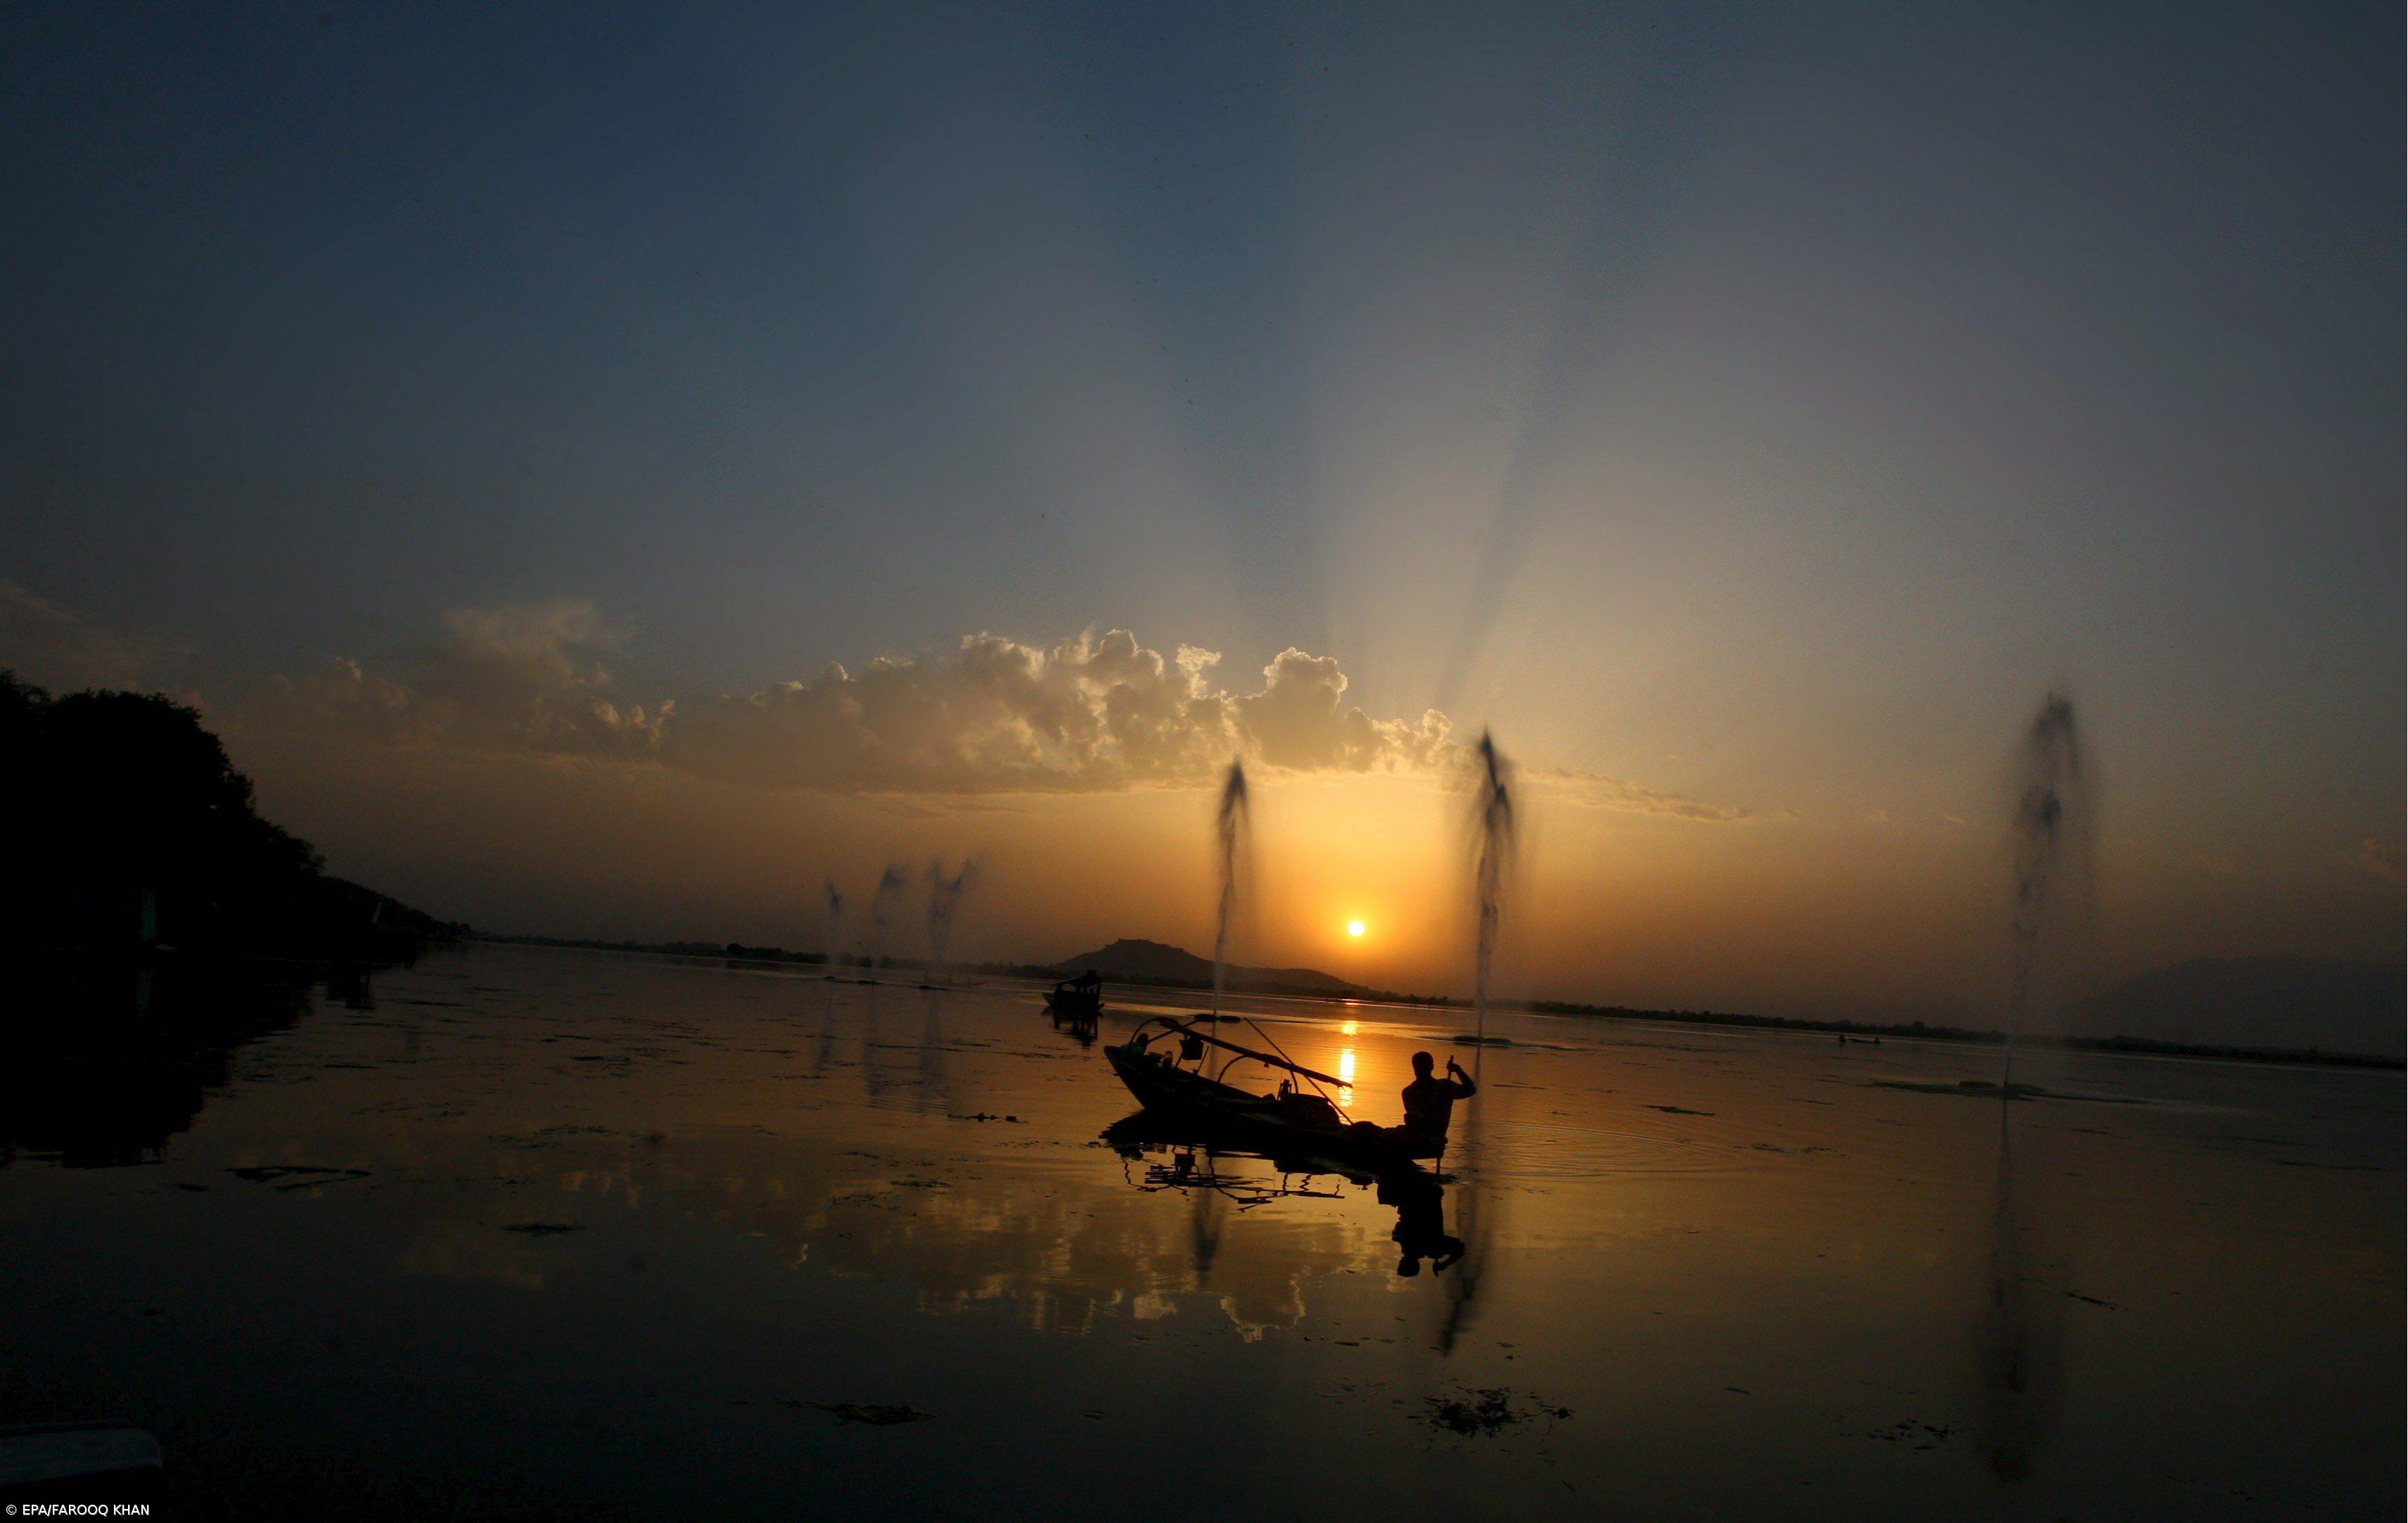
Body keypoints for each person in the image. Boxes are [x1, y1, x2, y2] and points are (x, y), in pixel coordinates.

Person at [1399, 1050, 1475, 1146]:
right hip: (1417, 1135)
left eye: (1422, 1066)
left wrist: (1458, 1070)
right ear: (1432, 1067)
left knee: (1383, 1137)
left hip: (1427, 1139)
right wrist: (1458, 1070)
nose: (1421, 1069)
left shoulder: (1444, 1087)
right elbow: (1471, 1089)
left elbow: (1470, 1090)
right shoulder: (1444, 1087)